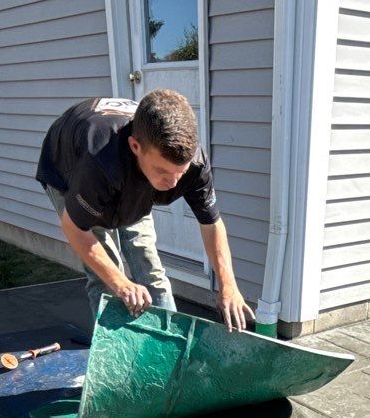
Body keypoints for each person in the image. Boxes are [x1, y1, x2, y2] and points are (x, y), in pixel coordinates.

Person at [36, 93, 254, 332]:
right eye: (163, 171)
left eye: (179, 173)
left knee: (150, 269)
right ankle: (113, 358)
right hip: (70, 169)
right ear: (135, 146)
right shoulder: (99, 163)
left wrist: (228, 284)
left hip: (129, 175)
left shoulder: (194, 165)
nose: (172, 183)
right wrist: (121, 284)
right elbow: (74, 229)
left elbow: (211, 223)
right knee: (108, 280)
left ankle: (168, 348)